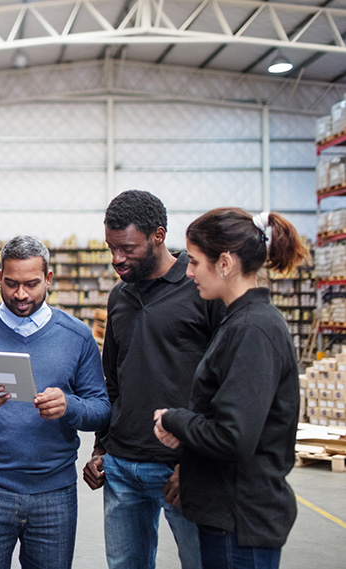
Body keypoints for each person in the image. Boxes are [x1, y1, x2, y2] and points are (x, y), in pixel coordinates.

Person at [0, 235, 111, 569]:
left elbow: (101, 410)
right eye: (11, 283)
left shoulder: (77, 337)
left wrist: (69, 407)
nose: (21, 294)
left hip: (54, 493)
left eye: (31, 284)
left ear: (49, 279)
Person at [153, 208, 308, 569]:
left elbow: (234, 435)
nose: (188, 272)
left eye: (194, 262)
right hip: (229, 515)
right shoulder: (240, 320)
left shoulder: (252, 330)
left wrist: (175, 420)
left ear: (225, 262)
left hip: (240, 520)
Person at [82, 190, 224, 569]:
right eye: (111, 248)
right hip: (122, 467)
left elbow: (219, 387)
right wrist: (101, 449)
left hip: (181, 469)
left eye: (127, 248)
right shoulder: (119, 297)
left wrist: (193, 464)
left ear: (158, 236)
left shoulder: (201, 291)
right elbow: (112, 379)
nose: (117, 258)